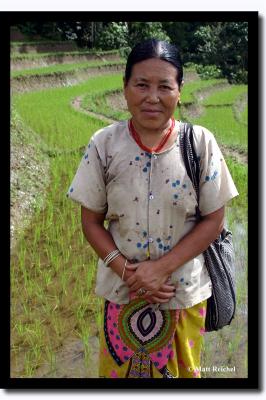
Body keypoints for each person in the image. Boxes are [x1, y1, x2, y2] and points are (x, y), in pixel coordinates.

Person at [67, 38, 238, 378]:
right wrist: (130, 273)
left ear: (180, 90)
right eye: (142, 84)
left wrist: (161, 269)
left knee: (184, 376)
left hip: (183, 295)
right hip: (122, 293)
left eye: (165, 86)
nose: (152, 97)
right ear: (125, 87)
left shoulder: (199, 142)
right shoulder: (104, 144)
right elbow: (91, 221)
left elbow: (214, 219)